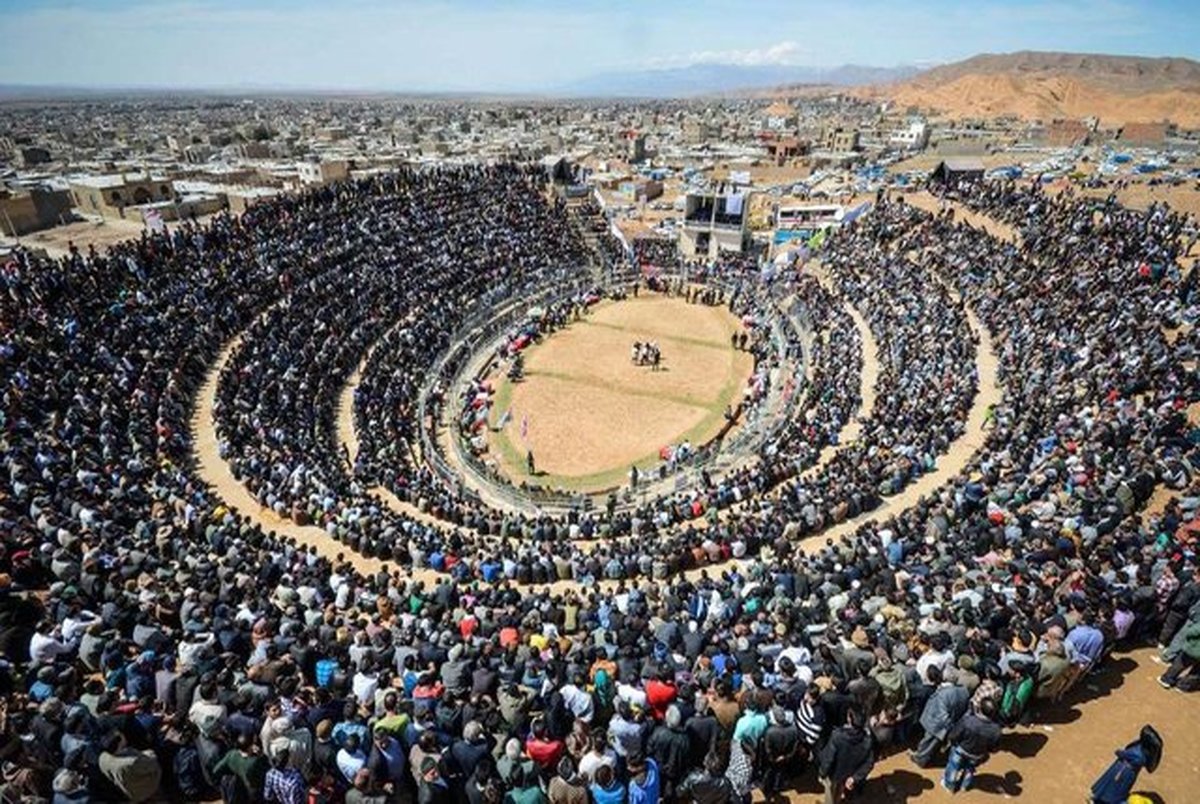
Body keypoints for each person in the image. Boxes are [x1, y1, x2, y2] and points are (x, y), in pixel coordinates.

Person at [942, 699, 1002, 793]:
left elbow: (954, 735)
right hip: (978, 754)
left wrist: (952, 742)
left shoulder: (968, 721)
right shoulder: (996, 730)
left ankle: (949, 785)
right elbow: (993, 748)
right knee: (970, 769)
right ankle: (964, 786)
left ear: (980, 708)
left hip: (961, 750)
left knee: (953, 767)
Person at [1090, 727, 1163, 804]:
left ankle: (1101, 800)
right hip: (1126, 773)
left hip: (1122, 772)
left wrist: (1118, 751)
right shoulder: (1143, 753)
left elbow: (1122, 754)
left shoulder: (1138, 753)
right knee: (1113, 788)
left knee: (1111, 787)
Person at [817, 707, 874, 804]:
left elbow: (828, 758)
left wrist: (822, 773)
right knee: (840, 790)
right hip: (849, 775)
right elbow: (869, 763)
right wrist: (854, 778)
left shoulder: (838, 736)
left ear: (849, 719)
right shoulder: (867, 740)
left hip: (834, 774)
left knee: (830, 793)